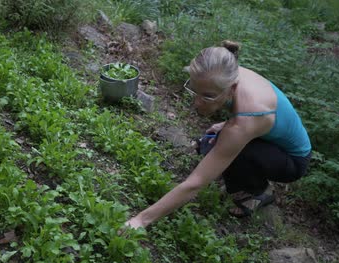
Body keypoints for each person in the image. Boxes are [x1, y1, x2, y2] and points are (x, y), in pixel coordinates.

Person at [125, 40, 311, 229]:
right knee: (214, 142)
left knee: (224, 147)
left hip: (293, 161)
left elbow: (194, 184)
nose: (197, 103)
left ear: (231, 88)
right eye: (195, 91)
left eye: (207, 96)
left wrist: (141, 220)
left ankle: (257, 192)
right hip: (266, 136)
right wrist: (225, 125)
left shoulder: (247, 119)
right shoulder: (228, 72)